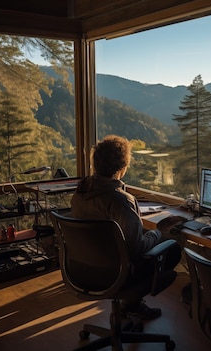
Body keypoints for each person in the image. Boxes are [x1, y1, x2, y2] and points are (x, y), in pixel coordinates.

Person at [71, 134, 185, 320]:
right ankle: (130, 300)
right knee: (171, 250)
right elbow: (136, 249)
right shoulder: (120, 201)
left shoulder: (80, 193)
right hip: (118, 274)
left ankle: (130, 305)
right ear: (122, 168)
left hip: (85, 270)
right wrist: (159, 232)